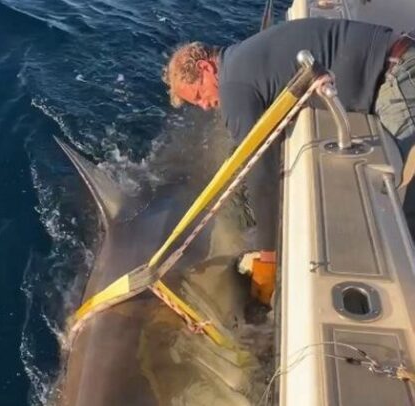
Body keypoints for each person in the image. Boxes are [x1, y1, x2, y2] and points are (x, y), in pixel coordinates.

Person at [162, 17, 415, 244]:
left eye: (199, 96)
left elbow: (258, 169)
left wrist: (268, 251)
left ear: (206, 69)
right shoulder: (241, 58)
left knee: (409, 210)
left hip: (398, 73)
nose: (205, 106)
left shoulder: (233, 85)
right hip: (394, 59)